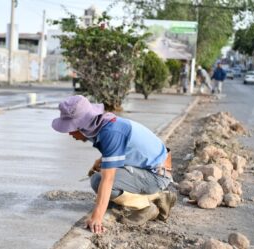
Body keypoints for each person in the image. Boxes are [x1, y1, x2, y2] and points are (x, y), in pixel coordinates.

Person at [51, 95, 176, 234]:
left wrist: (97, 217)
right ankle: (156, 197)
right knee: (100, 176)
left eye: (71, 128)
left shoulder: (110, 132)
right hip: (152, 170)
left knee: (99, 181)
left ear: (82, 126)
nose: (69, 133)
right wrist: (101, 161)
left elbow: (108, 180)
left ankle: (146, 206)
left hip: (157, 176)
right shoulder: (105, 123)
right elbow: (120, 149)